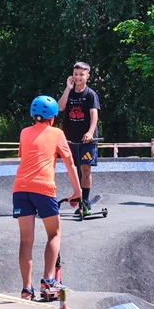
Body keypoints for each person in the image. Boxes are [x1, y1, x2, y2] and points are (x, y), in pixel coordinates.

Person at [12, 96, 82, 301]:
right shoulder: (58, 133)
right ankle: (49, 281)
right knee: (54, 233)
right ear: (52, 117)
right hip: (43, 188)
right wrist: (77, 192)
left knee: (26, 240)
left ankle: (26, 289)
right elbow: (70, 164)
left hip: (20, 188)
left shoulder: (24, 132)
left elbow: (25, 156)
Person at [57, 61, 101, 216]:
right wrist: (67, 89)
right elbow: (60, 108)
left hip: (87, 139)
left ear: (87, 76)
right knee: (75, 170)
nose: (77, 77)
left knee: (85, 168)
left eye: (81, 74)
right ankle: (78, 195)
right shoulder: (70, 92)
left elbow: (94, 115)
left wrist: (90, 132)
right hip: (71, 138)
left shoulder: (90, 94)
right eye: (75, 74)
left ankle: (85, 202)